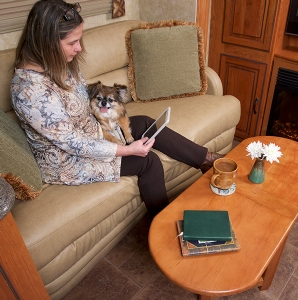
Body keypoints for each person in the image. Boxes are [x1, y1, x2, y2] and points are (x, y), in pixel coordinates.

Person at [11, 0, 224, 216]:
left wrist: (109, 111)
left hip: (93, 132)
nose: (79, 48)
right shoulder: (30, 92)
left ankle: (207, 160)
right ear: (47, 43)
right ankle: (163, 225)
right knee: (148, 161)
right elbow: (74, 144)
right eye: (72, 42)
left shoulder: (56, 64)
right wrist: (127, 149)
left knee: (145, 123)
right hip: (69, 160)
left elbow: (80, 95)